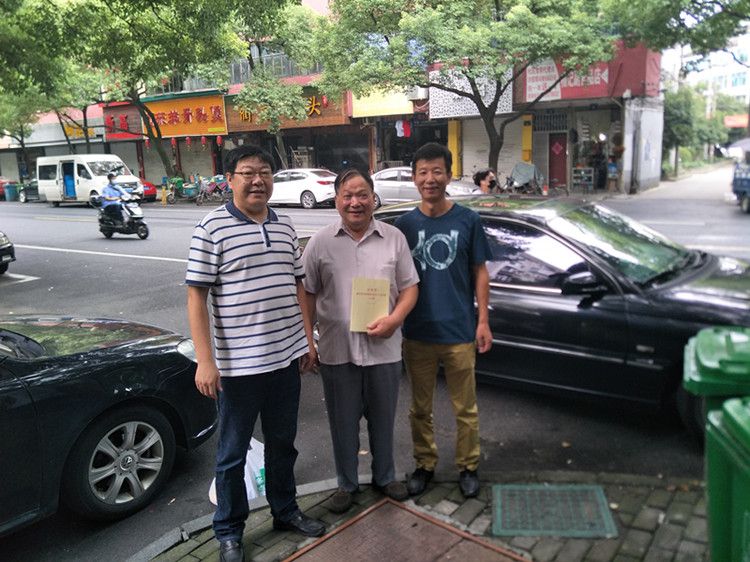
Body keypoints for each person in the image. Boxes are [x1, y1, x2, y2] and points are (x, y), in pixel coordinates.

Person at [186, 145, 325, 562]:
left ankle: (285, 511)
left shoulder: (284, 226)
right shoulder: (211, 227)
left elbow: (298, 285)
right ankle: (229, 532)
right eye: (247, 172)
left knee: (283, 443)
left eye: (264, 172)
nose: (257, 180)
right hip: (238, 369)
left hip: (285, 361)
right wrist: (205, 360)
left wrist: (306, 341)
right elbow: (196, 297)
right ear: (230, 179)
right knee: (231, 454)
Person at [303, 168, 419, 514]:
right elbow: (307, 293)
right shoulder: (319, 242)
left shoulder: (394, 238)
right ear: (336, 200)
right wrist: (308, 339)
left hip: (384, 350)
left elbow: (410, 288)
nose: (355, 202)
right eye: (348, 195)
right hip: (337, 351)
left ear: (373, 198)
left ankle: (385, 477)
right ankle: (346, 483)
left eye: (362, 195)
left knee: (383, 420)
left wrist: (394, 319)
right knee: (343, 424)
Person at [395, 142, 493, 499]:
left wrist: (483, 321)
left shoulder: (468, 220)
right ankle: (425, 464)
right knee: (419, 409)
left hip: (459, 331)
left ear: (449, 175)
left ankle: (468, 465)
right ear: (414, 177)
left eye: (437, 171)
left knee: (465, 408)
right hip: (417, 333)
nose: (430, 178)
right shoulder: (404, 225)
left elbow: (480, 272)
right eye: (423, 172)